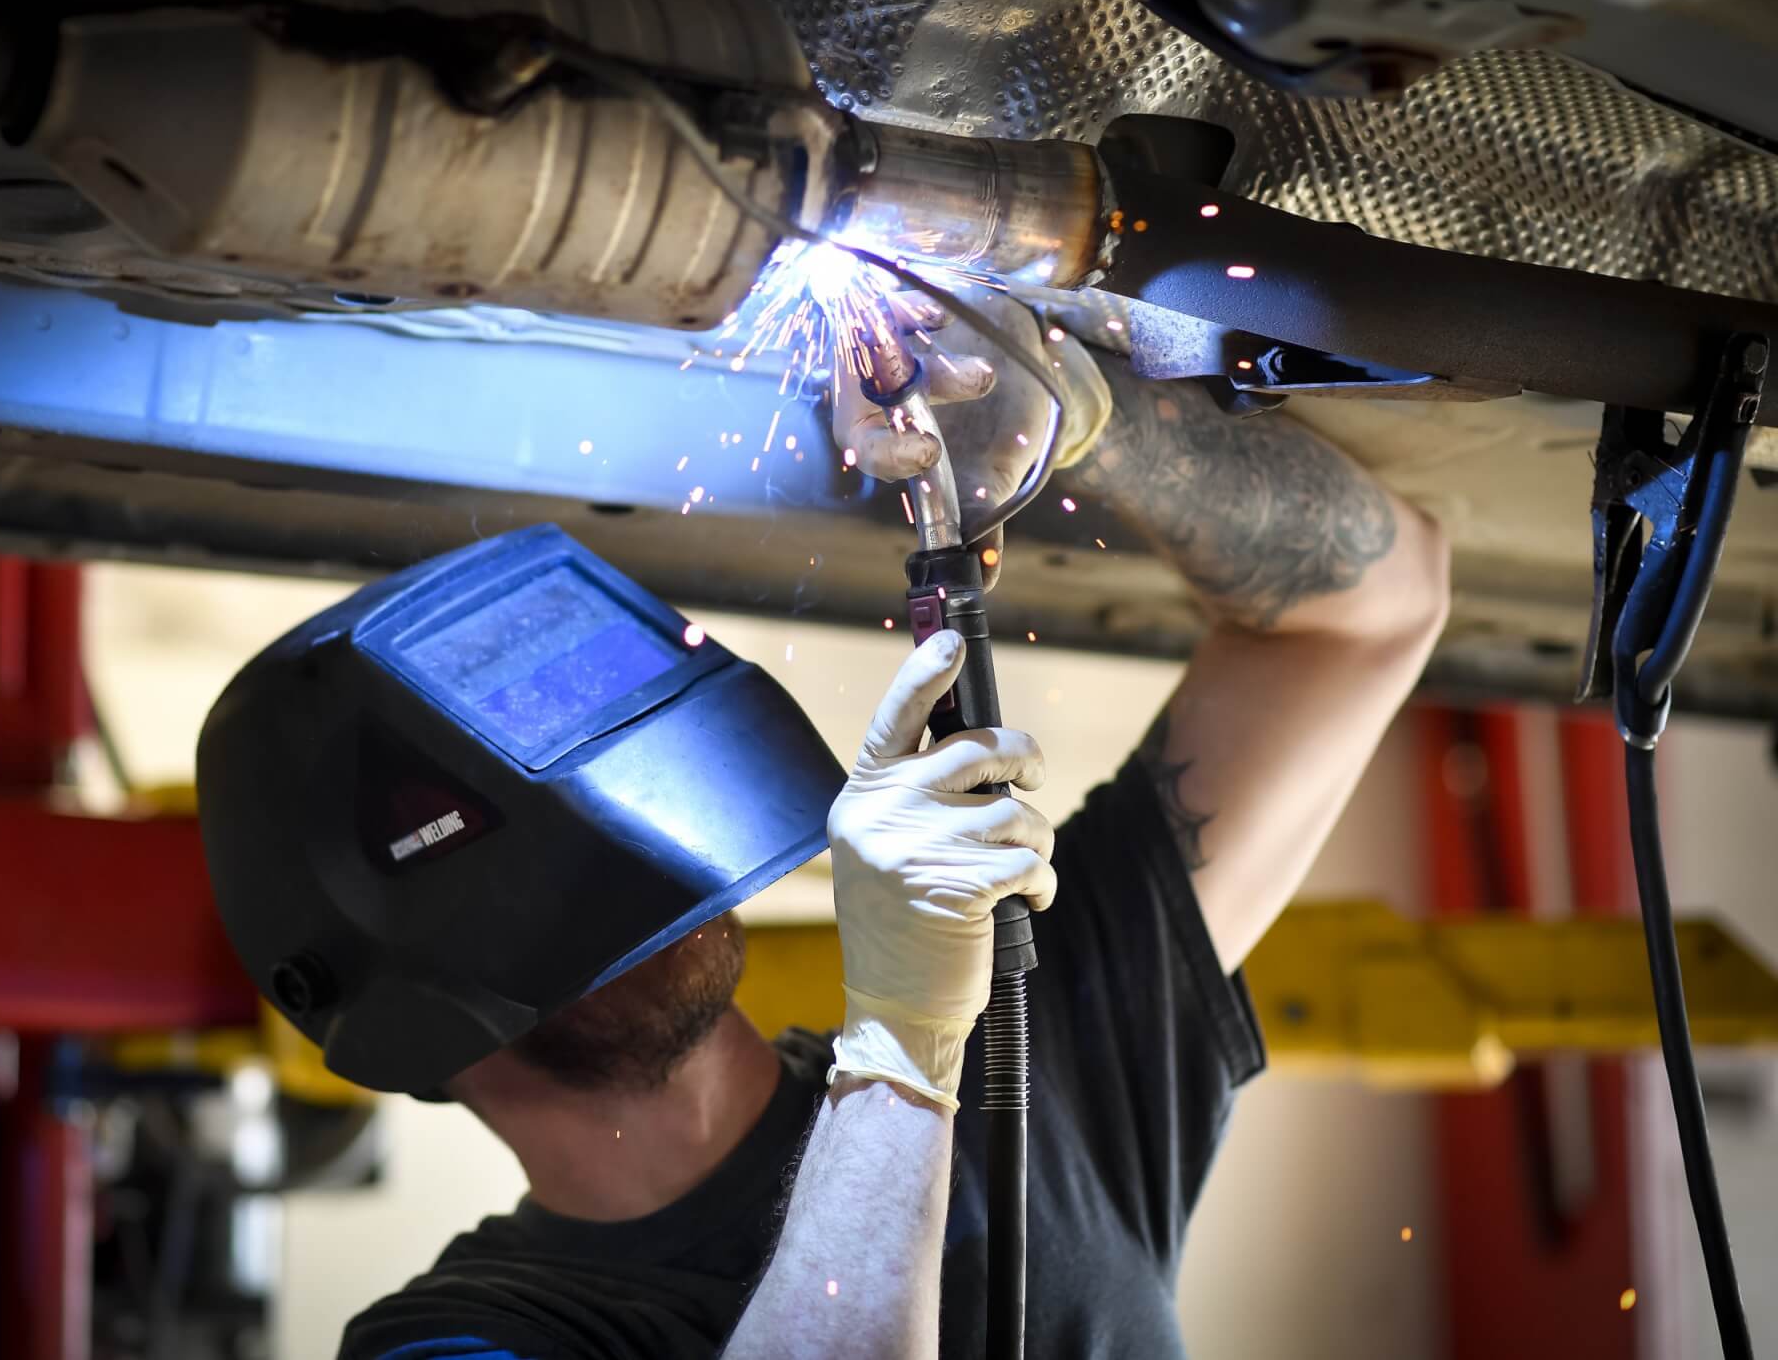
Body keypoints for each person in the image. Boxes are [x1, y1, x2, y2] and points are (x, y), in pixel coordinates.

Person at [339, 304, 1450, 1359]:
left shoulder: (1018, 1025)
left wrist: (1070, 417)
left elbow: (1374, 608)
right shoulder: (459, 1333)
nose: (614, 859)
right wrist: (897, 1047)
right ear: (406, 996)